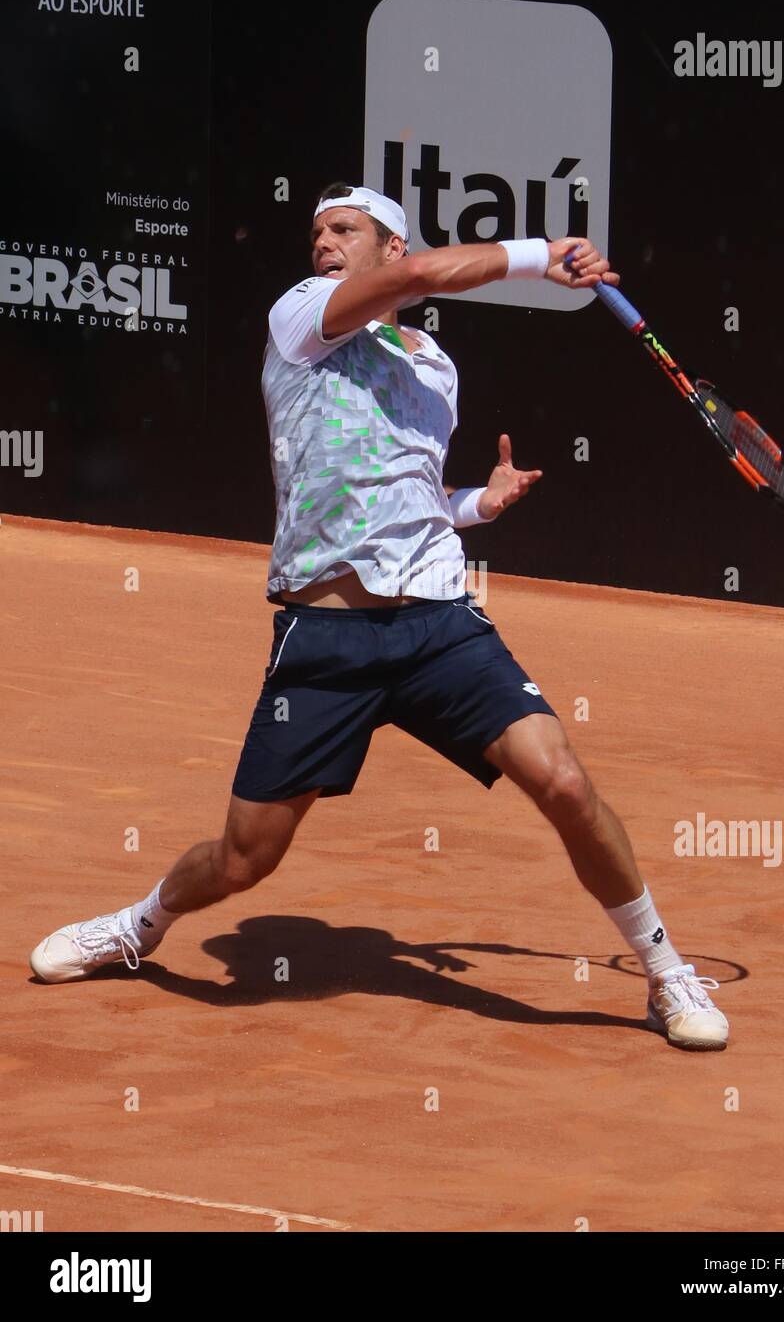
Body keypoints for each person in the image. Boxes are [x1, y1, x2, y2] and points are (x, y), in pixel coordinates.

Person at [30, 183, 728, 1051]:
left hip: (438, 624)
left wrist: (476, 503)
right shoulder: (303, 317)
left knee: (564, 782)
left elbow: (404, 492)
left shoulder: (434, 365)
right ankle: (139, 926)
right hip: (325, 636)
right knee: (247, 857)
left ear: (387, 247)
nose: (323, 243)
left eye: (345, 230)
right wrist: (540, 257)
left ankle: (664, 972)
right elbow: (432, 274)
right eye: (317, 231)